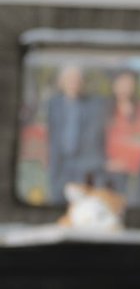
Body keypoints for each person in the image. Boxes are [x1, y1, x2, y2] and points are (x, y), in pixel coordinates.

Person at [43, 63, 110, 202]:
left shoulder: (92, 105)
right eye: (69, 79)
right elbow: (51, 136)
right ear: (61, 82)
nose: (73, 83)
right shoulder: (53, 104)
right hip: (60, 166)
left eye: (76, 79)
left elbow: (96, 139)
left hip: (83, 167)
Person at [103, 70, 140, 201]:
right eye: (121, 83)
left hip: (135, 173)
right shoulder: (105, 110)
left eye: (129, 84)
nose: (125, 88)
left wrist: (130, 162)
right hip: (110, 172)